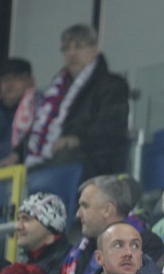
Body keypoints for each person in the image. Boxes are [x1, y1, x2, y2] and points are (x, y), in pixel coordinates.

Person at [24, 24, 129, 179]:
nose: (71, 54)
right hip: (53, 159)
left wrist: (77, 138)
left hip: (94, 163)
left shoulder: (112, 85)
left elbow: (111, 127)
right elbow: (37, 131)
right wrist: (15, 153)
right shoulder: (56, 92)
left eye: (79, 47)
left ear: (95, 49)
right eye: (66, 48)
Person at [64, 174, 164, 274]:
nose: (78, 214)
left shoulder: (149, 244)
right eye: (118, 246)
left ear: (107, 210)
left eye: (85, 206)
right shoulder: (81, 250)